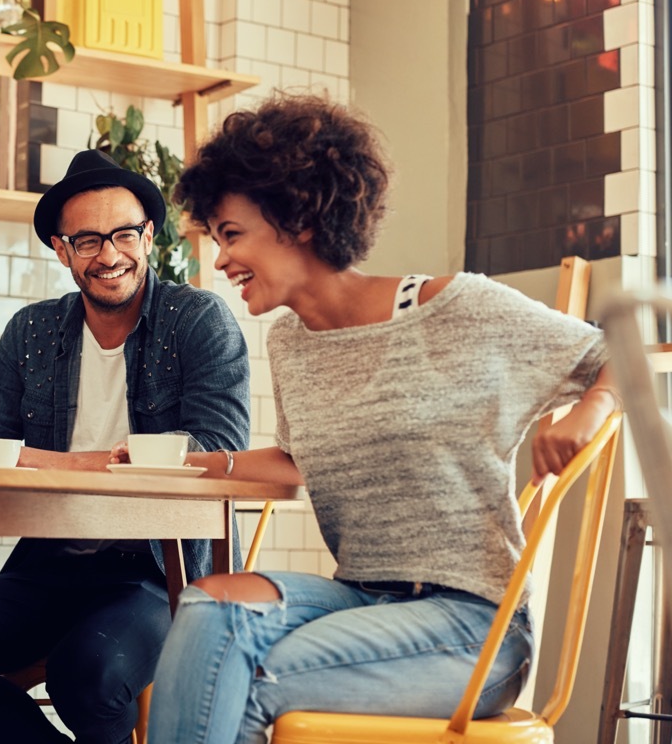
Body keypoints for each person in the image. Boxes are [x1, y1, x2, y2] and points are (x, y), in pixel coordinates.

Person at [132, 93, 619, 744]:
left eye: (231, 234)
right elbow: (299, 459)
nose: (220, 261)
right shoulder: (290, 343)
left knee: (247, 677)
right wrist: (185, 463)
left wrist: (591, 409)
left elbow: (621, 355)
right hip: (359, 596)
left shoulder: (458, 309)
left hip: (471, 625)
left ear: (298, 216)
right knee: (207, 610)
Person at [0, 149, 252, 744]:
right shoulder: (33, 330)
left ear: (149, 235)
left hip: (157, 570)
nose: (109, 255)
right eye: (87, 240)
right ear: (62, 249)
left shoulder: (198, 320)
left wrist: (55, 459)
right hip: (51, 564)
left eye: (124, 234)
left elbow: (218, 444)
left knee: (89, 676)